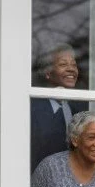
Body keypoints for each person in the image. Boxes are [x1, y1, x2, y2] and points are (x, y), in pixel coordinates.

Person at [30, 44, 88, 172]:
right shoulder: (33, 109)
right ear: (48, 73)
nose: (71, 69)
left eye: (74, 65)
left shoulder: (80, 108)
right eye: (63, 64)